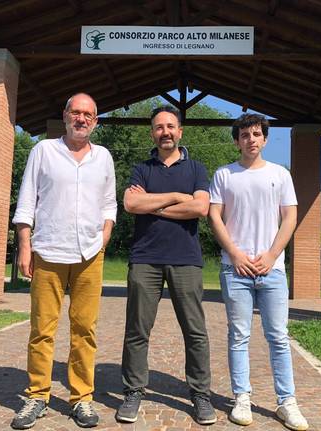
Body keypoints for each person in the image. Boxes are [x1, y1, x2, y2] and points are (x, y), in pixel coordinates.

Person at [11, 93, 117, 429]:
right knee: (42, 329)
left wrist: (104, 237)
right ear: (65, 115)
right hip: (48, 251)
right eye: (76, 112)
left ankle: (82, 399)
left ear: (95, 121)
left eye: (88, 114)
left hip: (89, 255)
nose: (81, 118)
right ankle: (37, 395)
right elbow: (27, 200)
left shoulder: (103, 157)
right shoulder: (43, 151)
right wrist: (25, 247)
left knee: (84, 330)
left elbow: (109, 205)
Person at [116, 105, 216, 425]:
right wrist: (175, 196)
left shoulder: (197, 168)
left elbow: (200, 207)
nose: (166, 132)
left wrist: (154, 206)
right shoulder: (142, 168)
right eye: (159, 127)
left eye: (171, 126)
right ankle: (133, 390)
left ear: (180, 131)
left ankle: (200, 394)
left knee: (195, 331)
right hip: (145, 258)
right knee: (137, 330)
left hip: (186, 259)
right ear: (152, 133)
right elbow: (131, 203)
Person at [208, 114, 309, 430]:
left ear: (265, 139)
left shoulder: (280, 174)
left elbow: (290, 217)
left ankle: (287, 402)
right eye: (244, 134)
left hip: (273, 270)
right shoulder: (224, 175)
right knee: (239, 335)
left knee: (278, 337)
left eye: (256, 134)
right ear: (236, 140)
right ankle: (241, 398)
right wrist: (236, 254)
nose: (250, 139)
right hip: (234, 269)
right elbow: (214, 216)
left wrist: (272, 254)